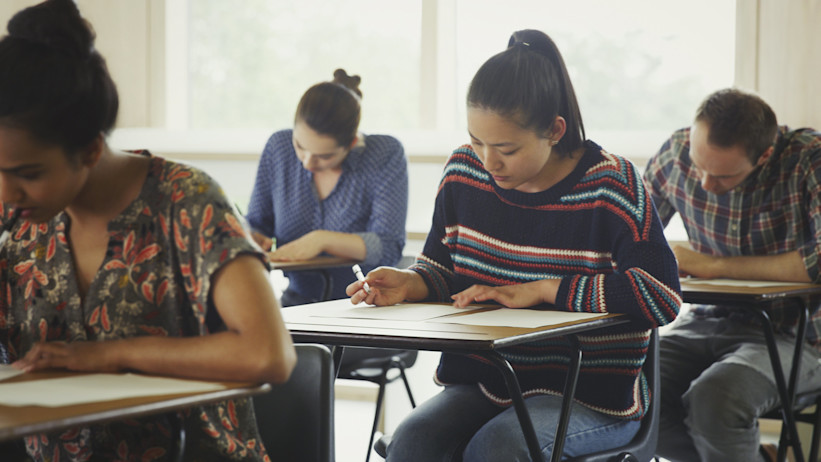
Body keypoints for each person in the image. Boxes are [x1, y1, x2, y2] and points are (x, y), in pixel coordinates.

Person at [346, 29, 681, 461]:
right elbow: (444, 272)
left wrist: (545, 290)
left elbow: (660, 295)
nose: (489, 161)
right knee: (413, 440)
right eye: (477, 140)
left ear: (554, 130)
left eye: (506, 148)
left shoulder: (611, 183)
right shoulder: (464, 172)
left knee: (499, 447)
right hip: (488, 381)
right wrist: (411, 283)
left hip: (590, 394)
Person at [0, 1, 296, 461]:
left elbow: (268, 354)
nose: (7, 191)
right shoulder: (15, 219)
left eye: (28, 173)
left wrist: (108, 354)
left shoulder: (186, 200)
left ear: (90, 150)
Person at [644, 88, 821, 462]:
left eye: (723, 175)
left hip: (798, 335)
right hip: (703, 322)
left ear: (764, 156)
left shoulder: (809, 158)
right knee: (629, 392)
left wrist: (713, 265)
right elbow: (630, 240)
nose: (706, 184)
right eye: (698, 166)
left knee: (716, 399)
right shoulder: (675, 152)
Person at [246, 69, 408, 306]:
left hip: (364, 303)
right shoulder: (278, 147)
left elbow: (388, 246)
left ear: (351, 143)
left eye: (324, 156)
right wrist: (253, 237)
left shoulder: (384, 154)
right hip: (296, 302)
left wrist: (322, 240)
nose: (307, 162)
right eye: (300, 146)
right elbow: (257, 223)